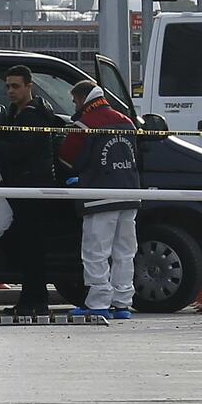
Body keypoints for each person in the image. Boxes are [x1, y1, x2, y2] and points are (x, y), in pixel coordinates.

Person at [0, 64, 59, 316]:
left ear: (29, 86)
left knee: (32, 248)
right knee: (25, 247)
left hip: (33, 190)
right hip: (20, 188)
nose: (10, 91)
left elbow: (19, 151)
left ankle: (36, 301)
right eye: (7, 86)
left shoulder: (33, 115)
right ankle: (29, 300)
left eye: (15, 86)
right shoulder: (15, 112)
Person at [59, 80, 140, 320]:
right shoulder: (127, 122)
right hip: (129, 194)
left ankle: (98, 303)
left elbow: (66, 158)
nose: (74, 106)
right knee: (125, 251)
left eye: (74, 101)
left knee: (96, 251)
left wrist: (77, 177)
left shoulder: (85, 124)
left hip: (98, 197)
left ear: (82, 99)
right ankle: (122, 303)